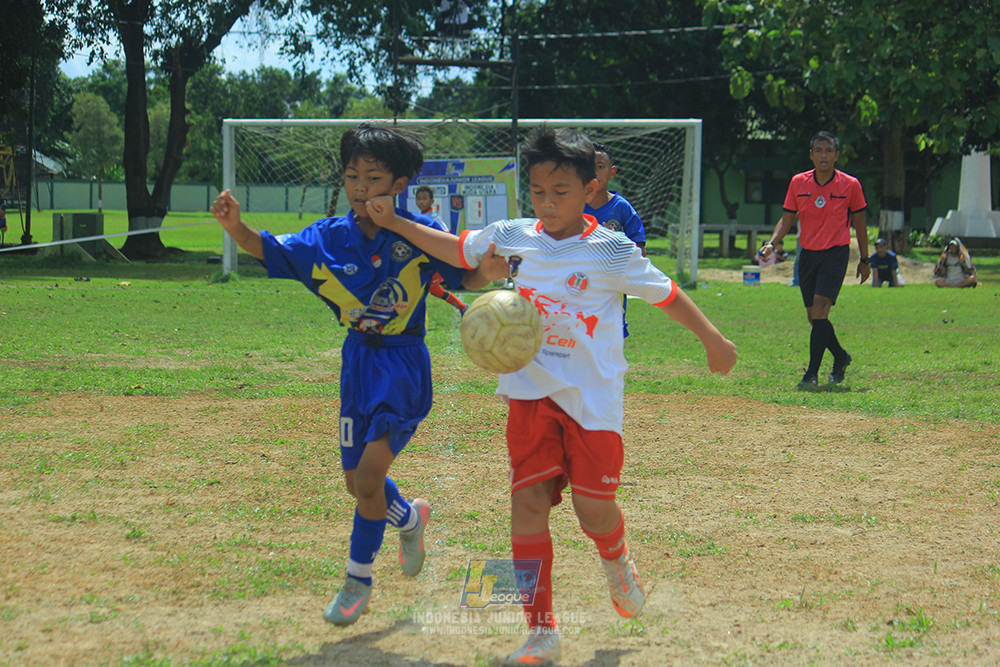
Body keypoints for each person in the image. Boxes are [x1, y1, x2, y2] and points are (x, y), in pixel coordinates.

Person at [365, 126, 738, 665]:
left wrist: (714, 340)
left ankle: (617, 560)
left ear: (588, 189)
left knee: (594, 509)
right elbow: (457, 248)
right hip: (530, 395)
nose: (548, 202)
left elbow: (668, 293)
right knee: (527, 504)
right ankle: (542, 631)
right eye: (538, 191)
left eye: (560, 191)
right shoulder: (515, 236)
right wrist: (396, 221)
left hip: (592, 400)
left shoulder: (610, 249)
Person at [210, 123, 494, 627]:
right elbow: (272, 249)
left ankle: (357, 579)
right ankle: (409, 516)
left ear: (400, 183)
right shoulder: (328, 238)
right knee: (356, 484)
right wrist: (235, 226)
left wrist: (487, 275)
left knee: (368, 476)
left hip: (403, 366)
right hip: (357, 364)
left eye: (373, 176)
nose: (361, 186)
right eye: (352, 176)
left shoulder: (418, 233)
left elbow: (464, 272)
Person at [758, 130, 870, 389]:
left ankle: (810, 375)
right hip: (807, 254)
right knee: (814, 318)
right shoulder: (798, 182)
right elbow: (787, 218)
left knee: (820, 310)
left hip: (836, 253)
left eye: (828, 150)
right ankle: (841, 357)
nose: (823, 155)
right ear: (811, 155)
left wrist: (865, 259)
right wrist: (771, 243)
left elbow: (861, 224)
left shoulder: (851, 185)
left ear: (837, 155)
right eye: (818, 150)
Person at [585, 142, 646, 338]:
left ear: (612, 172)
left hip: (612, 288)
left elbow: (639, 250)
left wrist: (616, 242)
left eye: (601, 166)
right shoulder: (574, 206)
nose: (595, 172)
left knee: (611, 337)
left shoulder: (622, 208)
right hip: (578, 284)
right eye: (589, 166)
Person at [415, 185, 468, 312]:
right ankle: (463, 308)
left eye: (424, 199)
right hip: (433, 260)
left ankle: (413, 317)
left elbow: (446, 235)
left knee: (423, 287)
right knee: (433, 289)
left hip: (441, 260)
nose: (421, 201)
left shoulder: (433, 218)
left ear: (432, 201)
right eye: (419, 199)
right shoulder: (423, 216)